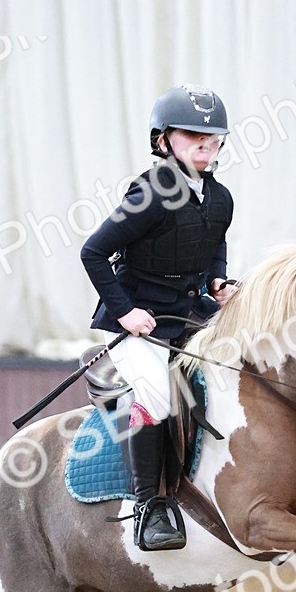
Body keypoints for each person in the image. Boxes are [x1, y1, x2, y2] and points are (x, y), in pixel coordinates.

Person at [80, 84, 237, 552]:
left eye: (212, 137)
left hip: (191, 313)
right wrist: (127, 313)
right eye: (192, 135)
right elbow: (93, 253)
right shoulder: (150, 192)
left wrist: (217, 281)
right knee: (155, 394)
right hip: (139, 317)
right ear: (163, 140)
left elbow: (214, 242)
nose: (204, 145)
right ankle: (150, 506)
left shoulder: (221, 196)